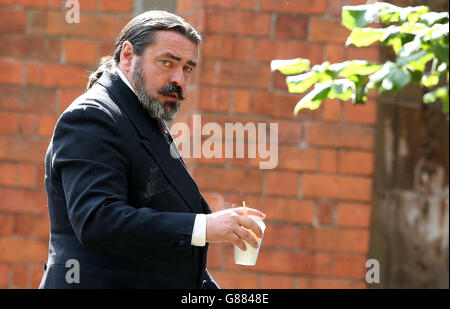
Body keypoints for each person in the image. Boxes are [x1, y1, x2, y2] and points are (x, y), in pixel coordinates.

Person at [39, 10, 265, 289]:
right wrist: (204, 227)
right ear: (128, 56)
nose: (178, 80)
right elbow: (98, 221)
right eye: (166, 62)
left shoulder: (142, 117)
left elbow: (166, 259)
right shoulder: (94, 116)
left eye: (187, 68)